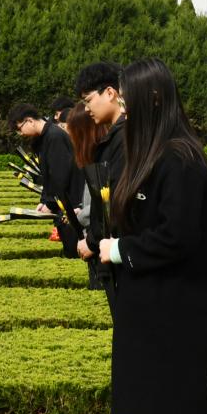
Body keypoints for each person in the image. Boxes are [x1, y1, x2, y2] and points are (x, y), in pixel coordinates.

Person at [97, 58, 207, 414]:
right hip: (149, 306)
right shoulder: (154, 153)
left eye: (128, 102)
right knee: (142, 402)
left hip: (175, 310)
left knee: (174, 405)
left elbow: (177, 236)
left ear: (152, 99)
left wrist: (119, 250)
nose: (125, 112)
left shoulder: (181, 159)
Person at [73, 62, 126, 294]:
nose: (86, 109)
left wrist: (92, 242)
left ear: (110, 93)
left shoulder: (124, 139)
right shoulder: (115, 138)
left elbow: (114, 200)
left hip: (117, 252)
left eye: (88, 100)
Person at [7, 103, 85, 253]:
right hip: (63, 204)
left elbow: (60, 175)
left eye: (19, 128)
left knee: (75, 250)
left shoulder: (54, 137)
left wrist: (50, 203)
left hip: (72, 205)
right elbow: (47, 176)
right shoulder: (44, 138)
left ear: (30, 121)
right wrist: (44, 200)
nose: (20, 134)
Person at [66, 107, 108, 289]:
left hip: (101, 244)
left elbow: (106, 202)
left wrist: (81, 216)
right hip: (96, 239)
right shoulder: (94, 157)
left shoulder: (104, 157)